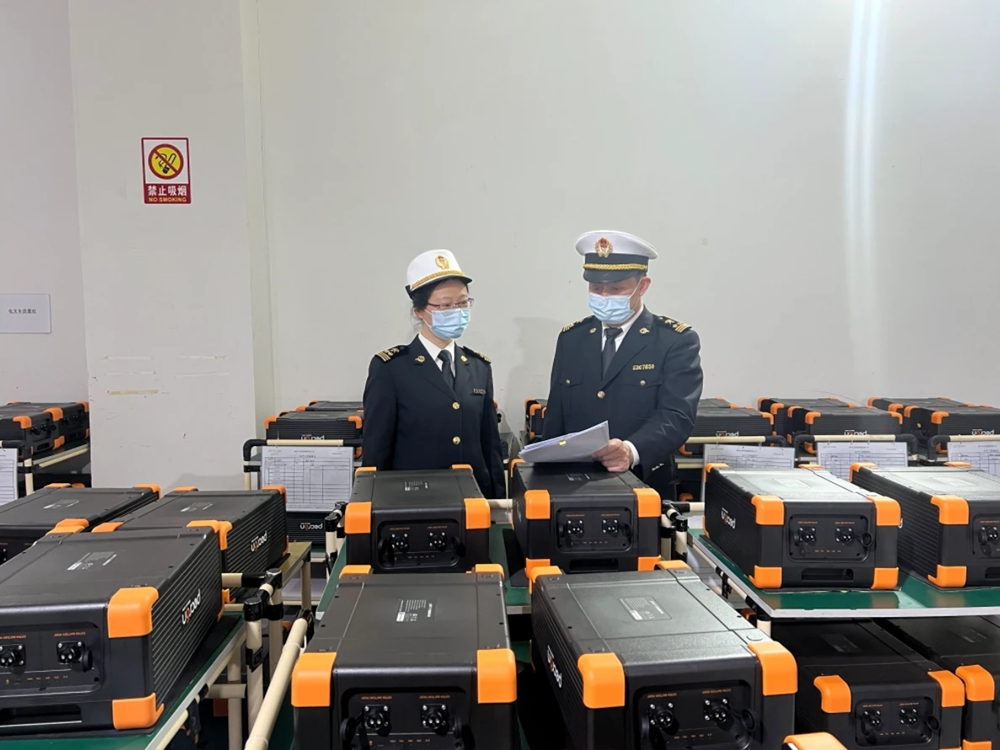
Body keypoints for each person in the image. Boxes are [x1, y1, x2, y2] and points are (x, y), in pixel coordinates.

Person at [542, 230, 703, 484]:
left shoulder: (674, 341)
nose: (604, 296)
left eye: (616, 288)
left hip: (644, 481)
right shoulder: (572, 339)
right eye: (596, 288)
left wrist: (631, 450)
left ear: (643, 286)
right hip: (575, 483)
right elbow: (556, 417)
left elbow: (677, 416)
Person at [362, 249, 506, 499]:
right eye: (445, 305)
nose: (456, 311)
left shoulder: (478, 367)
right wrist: (372, 506)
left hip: (474, 500)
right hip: (415, 502)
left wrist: (499, 505)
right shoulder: (391, 368)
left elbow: (490, 446)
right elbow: (377, 450)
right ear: (419, 311)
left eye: (463, 303)